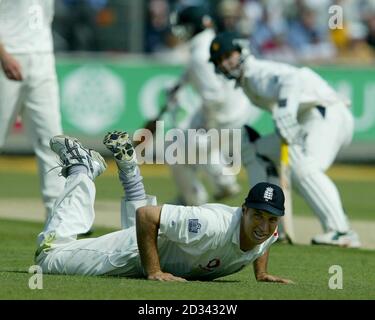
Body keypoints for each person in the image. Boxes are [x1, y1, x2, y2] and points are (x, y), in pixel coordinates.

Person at [35, 130, 293, 283]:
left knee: (141, 235)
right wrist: (155, 271)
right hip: (135, 253)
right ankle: (81, 168)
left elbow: (264, 240)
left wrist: (262, 273)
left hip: (155, 245)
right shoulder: (211, 225)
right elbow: (147, 216)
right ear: (244, 210)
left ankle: (129, 168)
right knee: (48, 259)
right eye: (258, 215)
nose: (264, 225)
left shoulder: (267, 232)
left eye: (271, 219)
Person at [208, 32, 361, 248]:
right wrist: (287, 114)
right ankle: (268, 224)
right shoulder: (248, 81)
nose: (225, 64)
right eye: (219, 61)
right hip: (311, 117)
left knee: (302, 167)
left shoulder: (255, 72)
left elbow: (294, 79)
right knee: (256, 149)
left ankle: (341, 231)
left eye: (227, 56)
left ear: (240, 51)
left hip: (325, 112)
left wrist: (285, 111)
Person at [167, 5, 258, 205]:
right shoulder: (210, 41)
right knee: (191, 139)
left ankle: (193, 200)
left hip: (223, 115)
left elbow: (214, 96)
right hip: (238, 109)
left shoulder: (199, 55)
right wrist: (179, 85)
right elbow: (196, 73)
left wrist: (210, 126)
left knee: (174, 148)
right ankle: (224, 181)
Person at [0, 0, 64, 218]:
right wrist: (3, 54)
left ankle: (57, 214)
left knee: (51, 139)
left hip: (43, 56)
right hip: (8, 53)